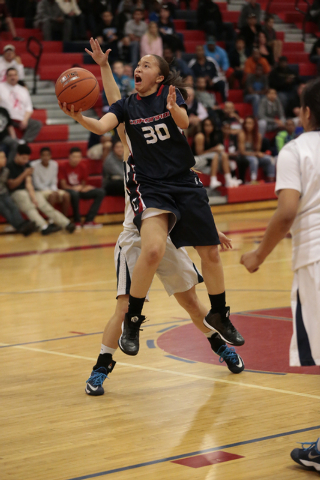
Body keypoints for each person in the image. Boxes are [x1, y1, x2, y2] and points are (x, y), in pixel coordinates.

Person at [59, 38, 245, 357]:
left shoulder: (169, 99)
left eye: (146, 64)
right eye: (138, 64)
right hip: (148, 201)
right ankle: (120, 339)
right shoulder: (126, 117)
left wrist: (174, 110)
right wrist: (81, 113)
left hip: (179, 191)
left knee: (201, 274)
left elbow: (184, 124)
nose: (138, 67)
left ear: (159, 76)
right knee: (149, 257)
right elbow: (107, 117)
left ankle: (220, 325)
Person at [240, 78, 320, 470]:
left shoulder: (296, 149)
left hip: (316, 259)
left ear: (305, 113)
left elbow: (287, 211)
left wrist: (258, 254)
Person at [7, 144, 75, 235]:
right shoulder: (10, 166)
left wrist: (33, 197)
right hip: (16, 192)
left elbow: (29, 183)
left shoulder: (27, 165)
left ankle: (66, 223)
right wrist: (24, 174)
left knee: (45, 206)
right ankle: (43, 227)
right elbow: (11, 185)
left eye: (27, 158)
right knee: (30, 207)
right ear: (17, 155)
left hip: (28, 190)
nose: (25, 161)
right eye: (23, 158)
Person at [59, 146, 105, 229]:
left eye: (78, 157)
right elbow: (63, 186)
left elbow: (84, 183)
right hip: (68, 190)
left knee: (100, 192)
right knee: (75, 194)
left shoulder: (83, 166)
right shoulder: (63, 166)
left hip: (79, 189)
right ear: (69, 156)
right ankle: (77, 221)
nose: (76, 159)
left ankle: (89, 220)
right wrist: (75, 188)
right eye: (74, 157)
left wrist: (85, 187)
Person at [193, 117, 242, 189]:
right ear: (203, 126)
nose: (208, 127)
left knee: (224, 155)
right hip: (197, 159)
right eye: (206, 125)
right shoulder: (200, 136)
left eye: (210, 125)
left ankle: (228, 180)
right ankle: (213, 180)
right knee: (215, 155)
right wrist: (214, 149)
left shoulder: (214, 136)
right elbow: (199, 153)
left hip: (209, 159)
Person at [0, 68, 42, 143]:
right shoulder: (1, 87)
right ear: (6, 77)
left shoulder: (23, 90)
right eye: (10, 75)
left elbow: (29, 107)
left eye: (15, 75)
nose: (13, 77)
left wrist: (25, 120)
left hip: (20, 118)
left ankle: (23, 142)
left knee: (36, 124)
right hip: (6, 117)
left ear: (18, 76)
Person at [0, 150, 37, 236]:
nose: (4, 159)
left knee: (13, 207)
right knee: (4, 209)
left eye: (4, 157)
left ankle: (23, 225)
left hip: (4, 193)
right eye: (1, 158)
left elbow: (6, 184)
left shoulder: (6, 170)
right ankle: (21, 227)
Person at [31, 147, 71, 217]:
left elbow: (54, 181)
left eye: (47, 155)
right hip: (39, 190)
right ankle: (51, 220)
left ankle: (65, 218)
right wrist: (51, 191)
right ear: (40, 156)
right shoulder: (34, 165)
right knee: (53, 196)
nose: (46, 157)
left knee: (66, 195)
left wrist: (54, 190)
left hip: (51, 189)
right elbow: (37, 184)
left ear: (50, 156)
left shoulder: (54, 164)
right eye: (43, 155)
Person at [238, 115, 275, 183]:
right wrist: (255, 154)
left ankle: (271, 180)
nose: (247, 125)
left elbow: (257, 150)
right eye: (246, 123)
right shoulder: (242, 134)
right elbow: (242, 152)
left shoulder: (258, 135)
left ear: (254, 125)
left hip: (254, 155)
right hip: (244, 156)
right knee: (254, 160)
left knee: (270, 159)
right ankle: (253, 180)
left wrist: (258, 150)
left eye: (250, 123)